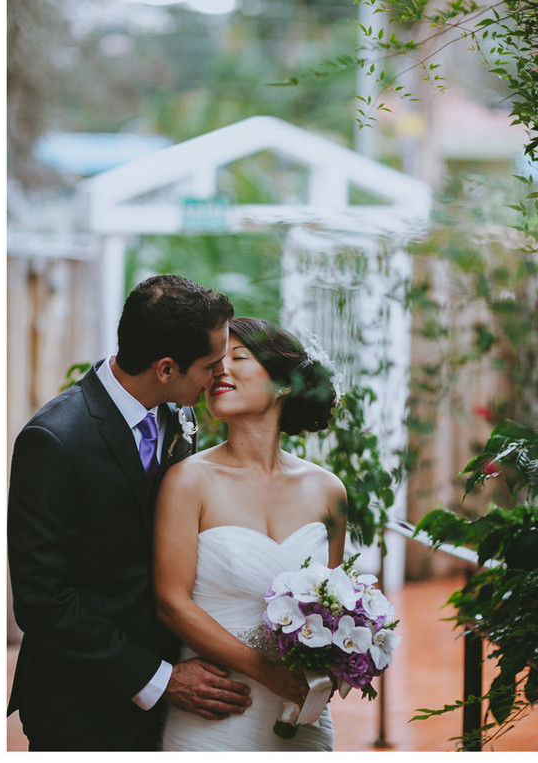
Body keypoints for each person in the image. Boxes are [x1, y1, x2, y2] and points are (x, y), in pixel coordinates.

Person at [8, 274, 249, 751]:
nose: (219, 376)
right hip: (82, 706)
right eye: (210, 364)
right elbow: (44, 602)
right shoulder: (54, 440)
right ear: (165, 368)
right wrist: (160, 680)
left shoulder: (179, 415)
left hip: (179, 709)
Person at [155, 317, 348, 751]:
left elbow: (333, 607)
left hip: (302, 712)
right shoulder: (187, 481)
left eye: (238, 358)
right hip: (217, 708)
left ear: (283, 384)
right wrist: (266, 671)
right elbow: (172, 602)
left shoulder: (328, 491)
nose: (219, 372)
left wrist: (345, 657)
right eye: (213, 365)